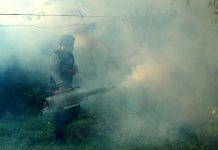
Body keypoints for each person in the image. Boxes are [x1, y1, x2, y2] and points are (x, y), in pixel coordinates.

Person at [49, 34, 80, 140]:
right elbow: (53, 72)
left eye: (73, 43)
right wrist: (61, 85)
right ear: (63, 43)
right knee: (60, 111)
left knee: (75, 109)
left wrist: (74, 70)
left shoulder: (71, 55)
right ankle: (59, 137)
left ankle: (61, 128)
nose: (72, 45)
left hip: (68, 86)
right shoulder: (55, 55)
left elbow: (75, 68)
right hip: (58, 87)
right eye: (71, 43)